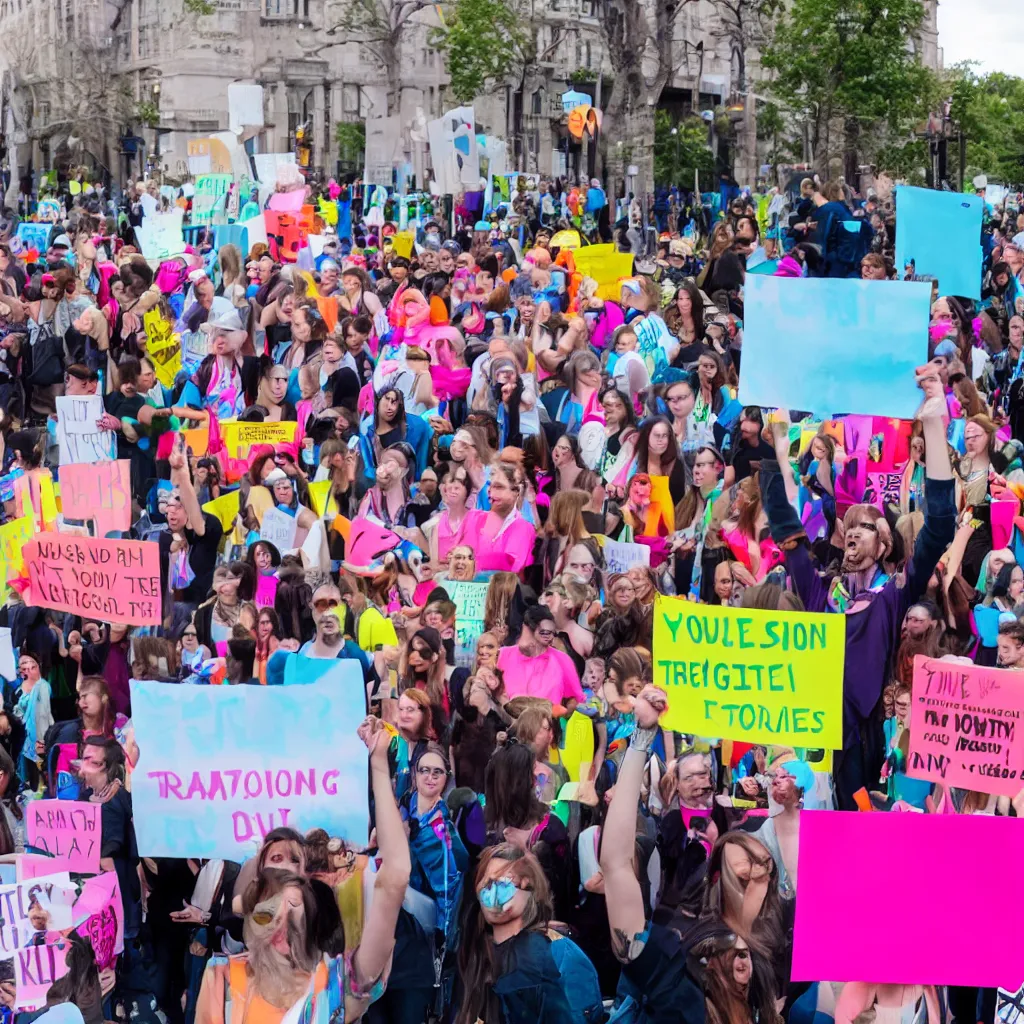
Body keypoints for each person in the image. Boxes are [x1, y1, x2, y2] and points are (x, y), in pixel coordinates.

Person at [760, 369, 955, 807]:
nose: (852, 532)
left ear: (885, 544)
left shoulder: (895, 591)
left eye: (866, 527)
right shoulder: (820, 590)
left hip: (868, 737)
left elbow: (940, 527)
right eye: (849, 526)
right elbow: (784, 524)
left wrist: (935, 424)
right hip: (815, 732)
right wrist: (777, 443)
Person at [195, 716, 411, 1024]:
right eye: (268, 911)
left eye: (294, 908)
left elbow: (395, 877)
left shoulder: (332, 987)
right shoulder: (223, 978)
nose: (283, 922)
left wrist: (378, 765)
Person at [496, 605, 584, 710]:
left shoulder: (562, 660)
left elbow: (574, 699)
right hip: (507, 722)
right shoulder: (503, 655)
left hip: (548, 722)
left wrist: (559, 715)